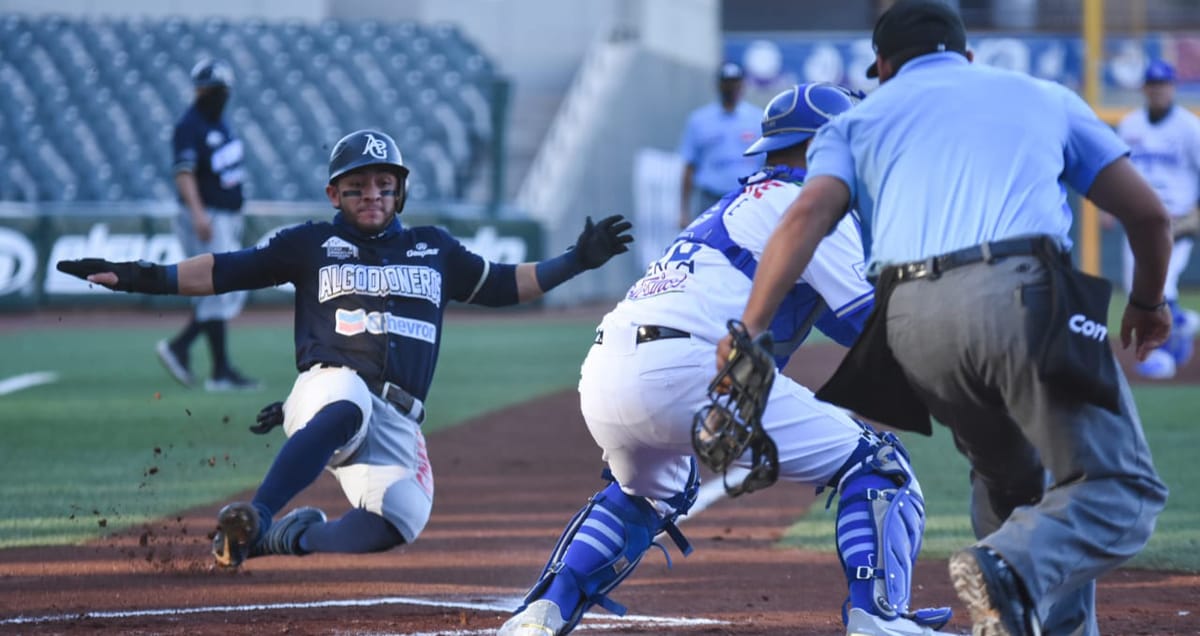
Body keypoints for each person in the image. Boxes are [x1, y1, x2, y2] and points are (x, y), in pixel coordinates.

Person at [721, 2, 1171, 635]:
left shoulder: (859, 120)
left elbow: (803, 219)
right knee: (1120, 491)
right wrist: (1149, 303)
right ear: (965, 55)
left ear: (882, 66)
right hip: (1023, 296)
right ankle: (1005, 569)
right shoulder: (1041, 95)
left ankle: (1021, 606)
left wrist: (753, 329)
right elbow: (1148, 216)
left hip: (909, 325)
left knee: (1014, 485)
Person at [56, 129, 634, 570]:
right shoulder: (311, 243)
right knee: (348, 400)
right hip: (332, 387)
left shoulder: (434, 249)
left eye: (384, 185)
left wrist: (576, 261)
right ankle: (258, 514)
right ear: (334, 193)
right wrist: (140, 276)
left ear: (401, 191)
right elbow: (226, 270)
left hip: (398, 416)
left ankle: (291, 536)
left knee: (402, 519)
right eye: (357, 187)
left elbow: (507, 284)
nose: (372, 195)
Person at [500, 83, 954, 636]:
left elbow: (844, 325)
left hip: (604, 370)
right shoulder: (807, 202)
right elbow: (871, 321)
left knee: (648, 492)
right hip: (691, 367)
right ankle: (877, 617)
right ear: (824, 146)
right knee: (879, 465)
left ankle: (543, 610)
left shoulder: (738, 204)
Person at [156, 58, 259, 392]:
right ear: (198, 90)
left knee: (225, 288)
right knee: (218, 285)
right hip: (207, 215)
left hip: (226, 214)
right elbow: (184, 173)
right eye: (211, 90)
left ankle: (187, 350)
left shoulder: (221, 124)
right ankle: (215, 368)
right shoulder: (191, 124)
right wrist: (199, 213)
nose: (216, 96)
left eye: (221, 91)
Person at [1115, 58, 1200, 379]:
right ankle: (1181, 324)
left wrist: (1196, 214)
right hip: (1138, 218)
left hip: (1176, 219)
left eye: (1163, 84)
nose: (1158, 90)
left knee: (1161, 285)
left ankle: (1165, 353)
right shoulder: (1130, 124)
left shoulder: (1190, 127)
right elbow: (1120, 171)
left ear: (1173, 87)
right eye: (1152, 85)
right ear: (1144, 88)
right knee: (1135, 286)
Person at [678, 61, 763, 228]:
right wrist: (683, 211)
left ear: (742, 85)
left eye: (735, 83)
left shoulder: (757, 118)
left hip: (746, 197)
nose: (731, 88)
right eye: (726, 83)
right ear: (717, 85)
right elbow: (689, 166)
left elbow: (769, 161)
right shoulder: (699, 120)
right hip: (710, 198)